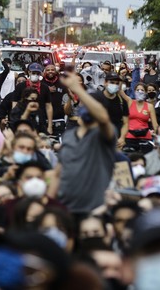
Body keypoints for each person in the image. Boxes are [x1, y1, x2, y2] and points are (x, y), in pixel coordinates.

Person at [57, 72, 116, 215]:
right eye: (84, 104)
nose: (86, 109)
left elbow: (102, 118)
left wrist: (77, 89)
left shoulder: (104, 134)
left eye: (90, 105)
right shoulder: (69, 136)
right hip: (67, 209)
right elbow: (57, 173)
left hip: (95, 210)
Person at [11, 63, 53, 134]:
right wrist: (15, 115)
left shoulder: (45, 87)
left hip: (39, 119)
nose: (35, 75)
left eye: (37, 73)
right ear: (29, 72)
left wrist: (50, 126)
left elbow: (48, 106)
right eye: (33, 73)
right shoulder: (20, 86)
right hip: (22, 118)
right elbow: (14, 102)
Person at [123, 82, 157, 153]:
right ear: (134, 92)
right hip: (130, 137)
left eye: (142, 90)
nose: (140, 92)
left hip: (145, 138)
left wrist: (159, 136)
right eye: (137, 90)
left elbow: (155, 125)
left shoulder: (149, 106)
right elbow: (120, 92)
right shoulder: (130, 102)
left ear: (145, 92)